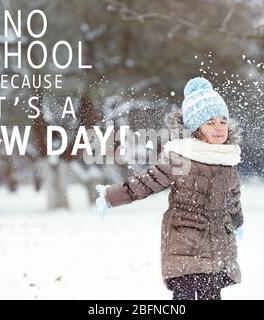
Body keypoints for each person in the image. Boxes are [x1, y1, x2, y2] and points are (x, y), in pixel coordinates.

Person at [96, 76, 244, 300]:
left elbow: (233, 198)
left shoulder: (228, 159)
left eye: (223, 122)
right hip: (184, 241)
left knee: (211, 295)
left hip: (217, 244)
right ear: (196, 128)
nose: (219, 128)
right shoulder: (182, 156)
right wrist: (110, 195)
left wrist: (236, 222)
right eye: (210, 122)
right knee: (185, 296)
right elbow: (147, 182)